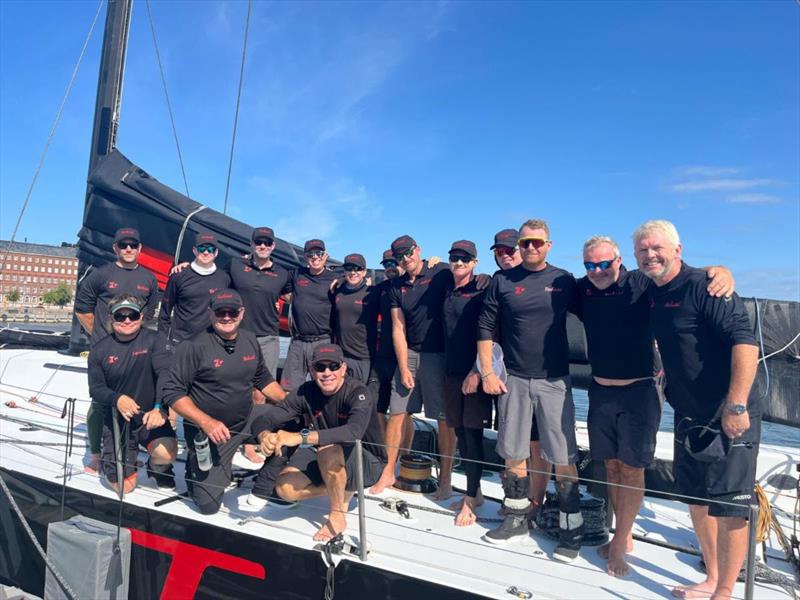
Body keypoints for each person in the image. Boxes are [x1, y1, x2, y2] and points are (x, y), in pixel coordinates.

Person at [578, 234, 735, 576]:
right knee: (612, 468)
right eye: (590, 265)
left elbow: (676, 273)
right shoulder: (583, 289)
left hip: (641, 392)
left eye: (605, 263)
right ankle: (625, 533)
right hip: (600, 392)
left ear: (619, 260)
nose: (598, 271)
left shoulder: (640, 282)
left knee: (632, 469)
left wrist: (719, 271)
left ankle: (619, 542)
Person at [634, 220, 759, 600]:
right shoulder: (650, 290)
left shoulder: (706, 286)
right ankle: (712, 576)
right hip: (688, 415)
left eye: (657, 248)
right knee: (696, 499)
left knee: (730, 507)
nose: (650, 255)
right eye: (643, 250)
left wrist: (735, 405)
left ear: (678, 249)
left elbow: (746, 342)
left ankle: (723, 592)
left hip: (728, 415)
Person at [477, 218, 583, 562]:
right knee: (513, 451)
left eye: (537, 242)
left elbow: (602, 302)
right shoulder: (502, 280)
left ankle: (571, 529)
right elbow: (485, 327)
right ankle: (516, 519)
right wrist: (487, 372)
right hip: (514, 379)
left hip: (554, 380)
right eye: (524, 243)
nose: (530, 248)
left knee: (563, 454)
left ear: (548, 245)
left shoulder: (564, 280)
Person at [161, 289, 287, 515]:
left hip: (247, 418)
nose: (227, 317)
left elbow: (263, 379)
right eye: (221, 312)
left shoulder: (249, 339)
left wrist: (291, 404)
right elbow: (172, 392)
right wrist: (207, 422)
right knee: (209, 506)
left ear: (241, 313)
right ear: (211, 313)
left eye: (232, 312)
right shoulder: (193, 346)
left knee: (293, 420)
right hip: (211, 431)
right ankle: (195, 467)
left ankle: (265, 485)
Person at [253, 344, 386, 541]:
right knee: (284, 489)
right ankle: (342, 486)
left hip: (367, 461)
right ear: (311, 370)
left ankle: (337, 517)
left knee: (328, 451)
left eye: (333, 366)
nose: (327, 373)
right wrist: (264, 435)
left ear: (343, 368)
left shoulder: (359, 391)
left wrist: (299, 437)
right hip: (328, 454)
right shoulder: (306, 392)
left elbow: (353, 432)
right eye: (320, 367)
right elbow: (266, 419)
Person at [370, 235, 457, 500]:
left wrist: (441, 263)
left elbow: (465, 273)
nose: (406, 259)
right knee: (397, 413)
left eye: (409, 253)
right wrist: (404, 367)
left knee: (443, 418)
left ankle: (445, 479)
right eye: (400, 256)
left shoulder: (440, 272)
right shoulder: (396, 285)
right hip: (408, 353)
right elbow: (397, 327)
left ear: (418, 250)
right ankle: (388, 471)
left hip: (437, 354)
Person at [74, 227, 159, 475]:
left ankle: (128, 450)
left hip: (137, 350)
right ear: (115, 248)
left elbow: (149, 312)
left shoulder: (148, 279)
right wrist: (99, 337)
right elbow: (82, 309)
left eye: (133, 245)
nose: (129, 249)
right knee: (101, 402)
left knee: (135, 401)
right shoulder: (100, 275)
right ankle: (97, 455)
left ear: (140, 249)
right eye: (124, 245)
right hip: (106, 349)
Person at [491, 227, 552, 514]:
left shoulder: (555, 278)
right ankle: (514, 500)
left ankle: (537, 500)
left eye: (509, 250)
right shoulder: (498, 281)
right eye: (499, 252)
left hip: (546, 376)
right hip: (508, 375)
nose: (505, 256)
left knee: (538, 442)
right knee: (511, 442)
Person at [87, 295, 176, 493]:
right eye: (120, 316)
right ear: (111, 318)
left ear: (141, 316)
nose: (127, 320)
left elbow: (166, 373)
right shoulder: (100, 350)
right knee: (123, 488)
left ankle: (157, 467)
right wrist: (117, 398)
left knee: (166, 452)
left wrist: (159, 407)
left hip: (149, 416)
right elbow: (96, 389)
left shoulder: (156, 340)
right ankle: (129, 461)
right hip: (118, 420)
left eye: (132, 315)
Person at [442, 240, 493, 526]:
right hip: (451, 372)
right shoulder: (447, 288)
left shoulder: (483, 288)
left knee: (473, 436)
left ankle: (470, 499)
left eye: (465, 259)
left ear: (474, 262)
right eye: (454, 258)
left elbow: (491, 332)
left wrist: (479, 371)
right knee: (460, 433)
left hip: (474, 372)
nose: (458, 263)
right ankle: (478, 493)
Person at [227, 226, 292, 376]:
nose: (263, 246)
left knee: (264, 389)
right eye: (259, 242)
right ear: (251, 244)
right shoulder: (235, 265)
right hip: (238, 334)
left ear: (273, 246)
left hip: (268, 338)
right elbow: (213, 277)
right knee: (233, 382)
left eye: (267, 242)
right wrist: (188, 266)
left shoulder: (282, 273)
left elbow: (298, 297)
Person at [280, 239, 340, 390]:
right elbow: (277, 280)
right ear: (305, 257)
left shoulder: (335, 279)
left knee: (324, 388)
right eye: (310, 254)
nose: (315, 257)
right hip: (298, 342)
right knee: (289, 390)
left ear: (325, 255)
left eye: (319, 253)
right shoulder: (296, 274)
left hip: (323, 341)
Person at [158, 232, 231, 345]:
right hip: (180, 342)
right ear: (194, 250)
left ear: (216, 253)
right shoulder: (178, 275)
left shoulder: (224, 278)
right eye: (202, 248)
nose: (206, 252)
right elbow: (164, 312)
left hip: (211, 342)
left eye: (210, 249)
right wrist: (162, 342)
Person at [331, 253, 380, 384]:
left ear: (364, 272)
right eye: (349, 268)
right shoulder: (337, 290)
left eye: (358, 269)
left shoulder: (373, 292)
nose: (353, 272)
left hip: (363, 357)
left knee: (358, 397)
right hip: (341, 355)